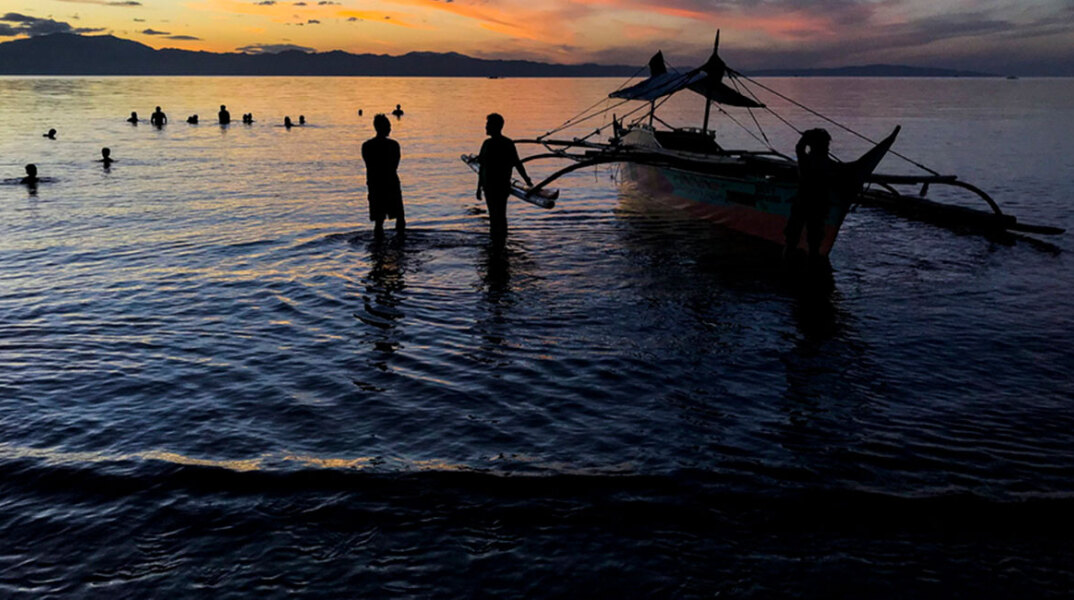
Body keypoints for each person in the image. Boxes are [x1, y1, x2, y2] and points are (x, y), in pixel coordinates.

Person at [476, 113, 531, 241]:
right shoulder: (500, 143)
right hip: (492, 186)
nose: (486, 127)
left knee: (497, 216)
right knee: (498, 216)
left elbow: (517, 163)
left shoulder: (497, 144)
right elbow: (482, 167)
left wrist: (527, 180)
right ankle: (499, 241)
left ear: (496, 127)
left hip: (497, 186)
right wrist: (479, 188)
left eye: (488, 124)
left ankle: (498, 242)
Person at [784, 128, 834, 263]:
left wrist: (806, 137)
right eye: (826, 144)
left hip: (806, 201)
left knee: (798, 232)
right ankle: (811, 257)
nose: (828, 147)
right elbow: (800, 148)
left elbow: (799, 147)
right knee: (811, 234)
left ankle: (793, 256)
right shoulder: (824, 162)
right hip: (815, 202)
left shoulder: (807, 159)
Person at [361, 114, 405, 237]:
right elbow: (395, 166)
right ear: (383, 127)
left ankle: (378, 247)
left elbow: (369, 165)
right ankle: (400, 244)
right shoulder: (393, 145)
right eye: (389, 126)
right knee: (400, 218)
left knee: (378, 221)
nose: (390, 129)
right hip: (391, 184)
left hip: (375, 185)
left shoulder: (367, 146)